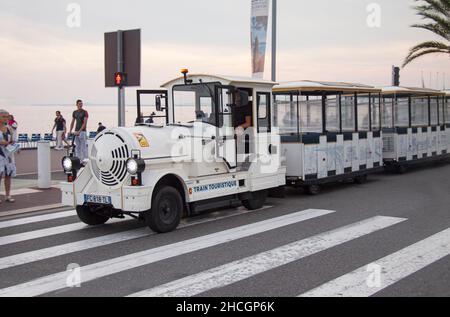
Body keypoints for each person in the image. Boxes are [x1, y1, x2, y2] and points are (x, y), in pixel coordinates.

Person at [0, 109, 17, 204]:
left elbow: (13, 139)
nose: (6, 118)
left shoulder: (9, 128)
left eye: (7, 116)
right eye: (4, 116)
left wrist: (12, 142)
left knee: (8, 174)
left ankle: (8, 195)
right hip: (0, 154)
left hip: (8, 153)